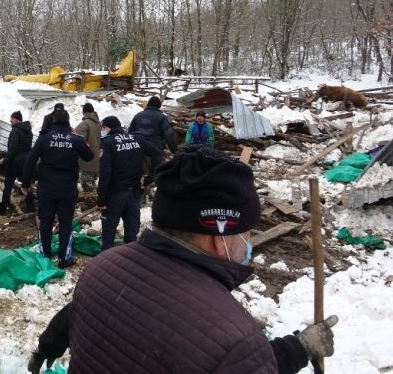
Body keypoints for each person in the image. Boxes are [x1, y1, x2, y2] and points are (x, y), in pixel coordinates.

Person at [27, 146, 338, 374]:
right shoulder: (235, 339)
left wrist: (49, 345)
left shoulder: (103, 268)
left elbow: (79, 313)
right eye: (245, 232)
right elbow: (230, 357)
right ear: (218, 238)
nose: (247, 242)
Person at [21, 109, 93, 268]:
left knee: (45, 222)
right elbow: (89, 156)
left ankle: (44, 256)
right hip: (67, 189)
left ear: (53, 121)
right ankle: (64, 258)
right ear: (68, 122)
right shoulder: (75, 139)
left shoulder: (44, 138)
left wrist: (25, 184)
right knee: (66, 223)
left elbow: (30, 161)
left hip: (46, 188)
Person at [97, 116, 160, 251]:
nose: (102, 131)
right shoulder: (137, 139)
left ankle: (107, 267)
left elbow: (105, 172)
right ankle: (131, 264)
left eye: (103, 128)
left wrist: (101, 199)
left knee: (108, 236)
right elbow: (157, 153)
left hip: (114, 195)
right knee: (131, 237)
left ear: (110, 128)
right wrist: (151, 176)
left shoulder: (108, 143)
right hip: (134, 193)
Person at [128, 96, 178, 180]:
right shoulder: (162, 117)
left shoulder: (137, 116)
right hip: (155, 153)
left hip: (138, 152)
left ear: (148, 104)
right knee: (156, 177)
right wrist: (176, 151)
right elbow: (169, 136)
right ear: (159, 106)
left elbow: (130, 134)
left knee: (137, 178)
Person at [0, 111, 34, 216]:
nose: (10, 120)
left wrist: (5, 161)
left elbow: (12, 149)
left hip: (15, 163)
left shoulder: (15, 131)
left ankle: (3, 209)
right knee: (26, 184)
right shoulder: (28, 131)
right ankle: (30, 206)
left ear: (17, 120)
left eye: (12, 119)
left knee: (8, 185)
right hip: (25, 162)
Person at [74, 103, 100, 193]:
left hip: (87, 161)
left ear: (84, 112)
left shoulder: (84, 124)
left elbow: (77, 141)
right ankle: (96, 201)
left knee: (87, 185)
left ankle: (90, 203)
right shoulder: (99, 123)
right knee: (92, 183)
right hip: (98, 159)